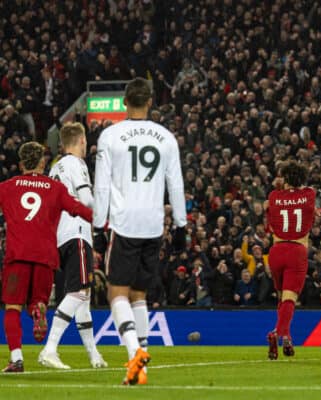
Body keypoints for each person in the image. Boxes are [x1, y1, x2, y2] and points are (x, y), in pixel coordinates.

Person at [92, 78, 186, 385]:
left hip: (125, 222)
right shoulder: (166, 137)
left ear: (123, 102)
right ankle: (141, 367)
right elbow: (176, 184)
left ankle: (135, 352)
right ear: (150, 102)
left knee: (116, 291)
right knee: (139, 294)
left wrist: (97, 225)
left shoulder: (110, 136)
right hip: (153, 223)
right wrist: (182, 225)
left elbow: (102, 185)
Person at [0, 141, 93, 372]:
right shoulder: (55, 188)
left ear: (21, 164)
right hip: (45, 257)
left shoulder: (7, 187)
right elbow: (77, 208)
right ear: (43, 162)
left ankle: (17, 358)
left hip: (17, 255)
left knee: (12, 307)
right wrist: (105, 221)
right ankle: (37, 310)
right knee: (37, 301)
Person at [38, 122, 107, 370]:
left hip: (59, 237)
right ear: (80, 141)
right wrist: (106, 214)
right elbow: (86, 198)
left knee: (83, 297)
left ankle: (93, 355)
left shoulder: (55, 168)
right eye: (85, 141)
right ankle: (50, 348)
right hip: (76, 232)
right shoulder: (76, 164)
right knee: (78, 292)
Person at [265, 160, 316, 359]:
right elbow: (304, 192)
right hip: (296, 251)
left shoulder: (274, 196)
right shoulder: (309, 195)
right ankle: (278, 333)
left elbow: (271, 213)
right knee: (289, 299)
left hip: (276, 250)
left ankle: (287, 336)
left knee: (281, 298)